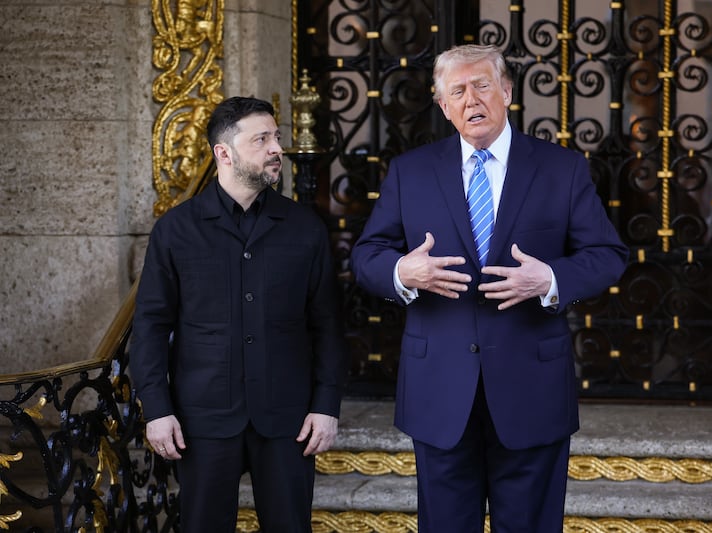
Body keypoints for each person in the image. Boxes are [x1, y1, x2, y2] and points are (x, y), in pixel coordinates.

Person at [350, 45, 629, 532]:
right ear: (443, 106)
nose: (471, 99)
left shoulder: (561, 168)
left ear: (506, 92)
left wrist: (552, 280)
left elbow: (607, 255)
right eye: (456, 91)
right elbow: (367, 254)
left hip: (532, 389)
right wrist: (402, 272)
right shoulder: (409, 171)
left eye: (482, 85)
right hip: (439, 389)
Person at [130, 96, 348, 533]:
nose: (276, 149)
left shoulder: (305, 228)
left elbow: (327, 324)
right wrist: (156, 409)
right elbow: (151, 326)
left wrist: (326, 405)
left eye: (277, 137)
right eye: (262, 139)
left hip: (289, 420)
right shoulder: (175, 229)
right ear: (224, 153)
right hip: (201, 419)